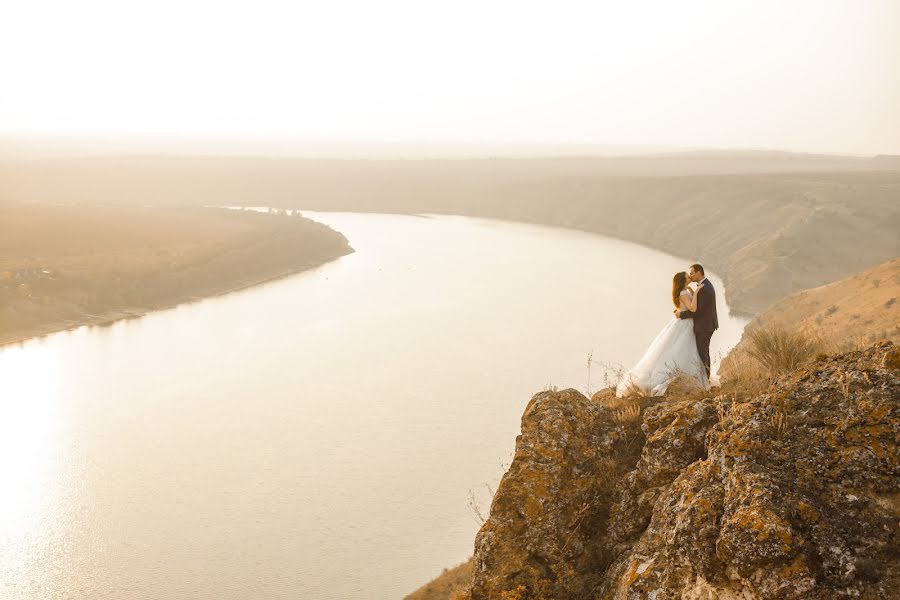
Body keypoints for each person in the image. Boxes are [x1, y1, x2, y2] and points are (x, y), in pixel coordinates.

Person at [615, 270, 710, 397]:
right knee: (683, 350)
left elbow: (686, 305)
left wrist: (692, 292)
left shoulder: (684, 292)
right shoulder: (683, 293)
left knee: (683, 350)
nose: (689, 277)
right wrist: (697, 292)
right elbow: (692, 308)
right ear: (683, 281)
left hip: (684, 323)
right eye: (687, 277)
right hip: (685, 325)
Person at [674, 263, 719, 380]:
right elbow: (699, 305)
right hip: (705, 325)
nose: (690, 276)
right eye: (689, 274)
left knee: (702, 353)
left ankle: (705, 379)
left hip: (705, 326)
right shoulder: (704, 285)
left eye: (692, 273)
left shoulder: (704, 288)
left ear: (699, 272)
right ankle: (704, 378)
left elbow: (698, 311)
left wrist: (681, 314)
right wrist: (694, 293)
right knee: (703, 352)